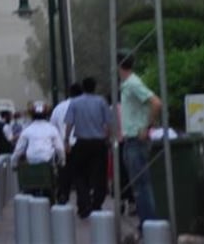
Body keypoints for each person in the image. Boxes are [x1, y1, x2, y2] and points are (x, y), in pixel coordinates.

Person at [119, 52, 162, 225]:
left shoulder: (132, 84)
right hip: (131, 140)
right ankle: (146, 223)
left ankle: (149, 224)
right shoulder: (128, 84)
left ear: (118, 65)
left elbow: (156, 102)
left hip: (136, 140)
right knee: (139, 186)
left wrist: (147, 127)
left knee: (141, 186)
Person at [65, 77, 114, 219]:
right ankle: (97, 203)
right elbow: (109, 123)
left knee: (80, 175)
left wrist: (66, 140)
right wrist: (109, 138)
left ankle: (83, 203)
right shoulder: (101, 102)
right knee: (100, 174)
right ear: (95, 87)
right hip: (99, 144)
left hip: (81, 143)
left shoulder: (75, 102)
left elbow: (69, 123)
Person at [51, 82, 82, 204]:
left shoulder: (58, 108)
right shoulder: (83, 106)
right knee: (81, 175)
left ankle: (63, 196)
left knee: (64, 173)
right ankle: (83, 201)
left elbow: (52, 127)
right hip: (80, 144)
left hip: (64, 145)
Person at [12, 102, 66, 167]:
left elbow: (19, 149)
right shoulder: (52, 129)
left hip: (31, 161)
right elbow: (59, 148)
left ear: (32, 115)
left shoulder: (27, 130)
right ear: (47, 115)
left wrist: (13, 163)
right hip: (48, 162)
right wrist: (62, 161)